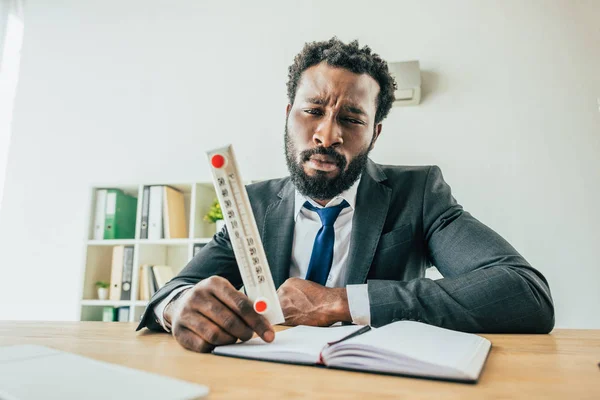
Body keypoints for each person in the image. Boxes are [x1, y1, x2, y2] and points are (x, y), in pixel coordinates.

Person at [136, 37, 554, 353]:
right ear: (288, 115)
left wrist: (340, 303)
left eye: (352, 118)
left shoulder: (419, 193)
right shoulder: (253, 204)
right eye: (313, 111)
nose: (327, 135)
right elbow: (174, 291)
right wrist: (178, 306)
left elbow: (524, 293)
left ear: (375, 133)